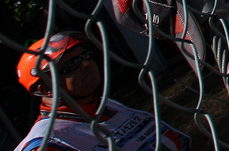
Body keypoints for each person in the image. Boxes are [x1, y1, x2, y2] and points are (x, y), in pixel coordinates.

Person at [14, 32, 190, 151]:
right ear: (46, 88)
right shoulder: (46, 143)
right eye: (71, 65)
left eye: (85, 56)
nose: (86, 64)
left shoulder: (104, 106)